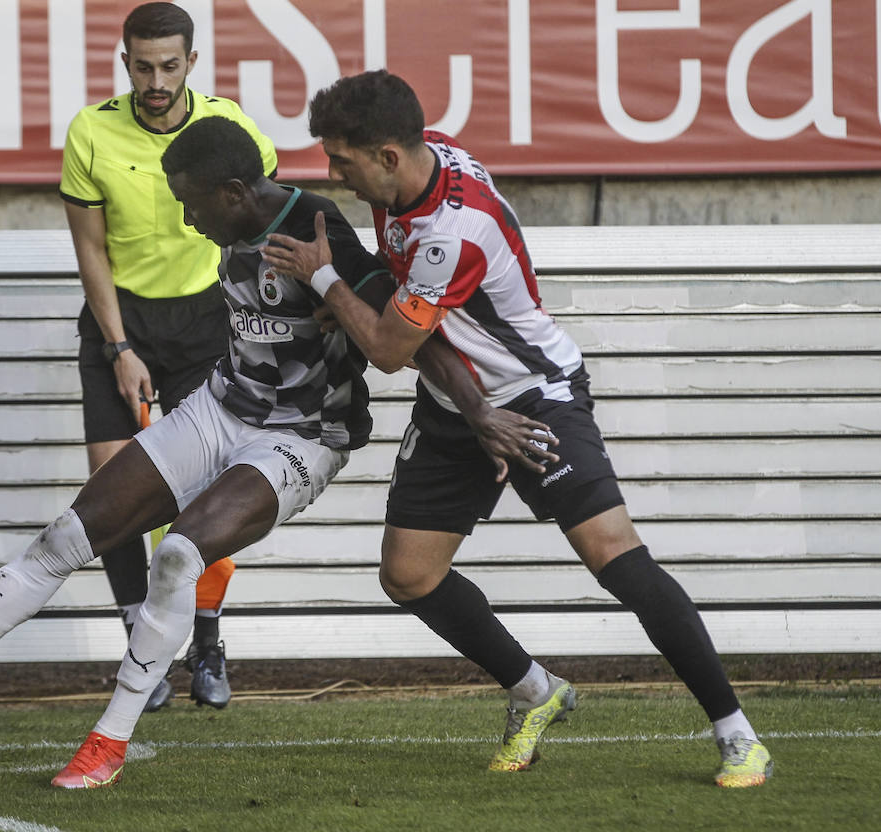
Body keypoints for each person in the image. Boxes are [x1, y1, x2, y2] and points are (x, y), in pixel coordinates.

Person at [0, 115, 398, 789]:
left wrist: (335, 288)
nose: (189, 223)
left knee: (176, 556)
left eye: (193, 205)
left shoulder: (315, 226)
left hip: (303, 436)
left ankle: (109, 740)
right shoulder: (235, 220)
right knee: (66, 536)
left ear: (232, 193)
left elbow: (394, 336)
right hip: (222, 407)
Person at [260, 70, 773, 789]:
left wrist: (324, 280)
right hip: (458, 406)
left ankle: (737, 734)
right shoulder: (420, 164)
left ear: (386, 155)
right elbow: (409, 314)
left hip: (534, 399)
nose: (332, 174)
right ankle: (535, 690)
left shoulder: (449, 233)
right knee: (408, 576)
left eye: (340, 160)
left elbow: (388, 351)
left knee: (615, 557)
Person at [59, 1, 278, 710]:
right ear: (125, 63)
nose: (157, 79)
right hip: (119, 320)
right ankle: (140, 646)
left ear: (192, 61)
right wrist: (119, 345)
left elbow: (263, 221)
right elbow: (90, 249)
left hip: (207, 322)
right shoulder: (91, 131)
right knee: (113, 490)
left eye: (170, 65)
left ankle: (206, 641)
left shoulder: (232, 126)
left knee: (209, 492)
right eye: (144, 66)